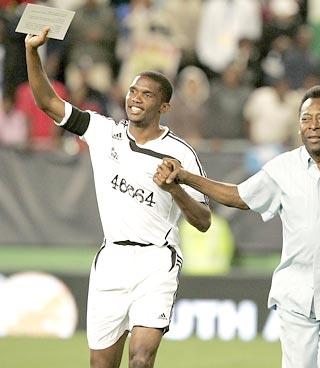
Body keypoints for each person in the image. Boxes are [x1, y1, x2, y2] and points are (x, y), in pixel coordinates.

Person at [155, 85, 320, 368]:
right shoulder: (282, 169)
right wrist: (187, 178)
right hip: (295, 296)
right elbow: (238, 196)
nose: (312, 126)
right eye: (305, 118)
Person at [25, 28, 211, 368]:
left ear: (164, 105)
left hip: (157, 262)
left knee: (141, 358)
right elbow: (47, 102)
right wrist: (32, 51)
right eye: (133, 91)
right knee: (101, 365)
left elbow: (203, 220)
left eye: (147, 94)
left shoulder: (180, 153)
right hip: (111, 259)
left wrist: (176, 189)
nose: (136, 98)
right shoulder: (103, 132)